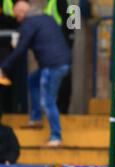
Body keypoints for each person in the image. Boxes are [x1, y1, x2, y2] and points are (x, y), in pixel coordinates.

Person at [0, 0, 70, 147]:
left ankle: (56, 136)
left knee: (48, 101)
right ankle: (36, 118)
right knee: (32, 80)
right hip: (61, 60)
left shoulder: (30, 23)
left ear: (21, 12)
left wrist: (4, 67)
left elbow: (21, 49)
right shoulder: (45, 17)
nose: (17, 19)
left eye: (17, 16)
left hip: (52, 64)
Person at [44, 0, 74, 115]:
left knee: (59, 79)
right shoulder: (71, 2)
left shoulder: (60, 1)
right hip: (64, 46)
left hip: (57, 45)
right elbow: (73, 27)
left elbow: (68, 26)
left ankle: (60, 110)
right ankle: (62, 110)